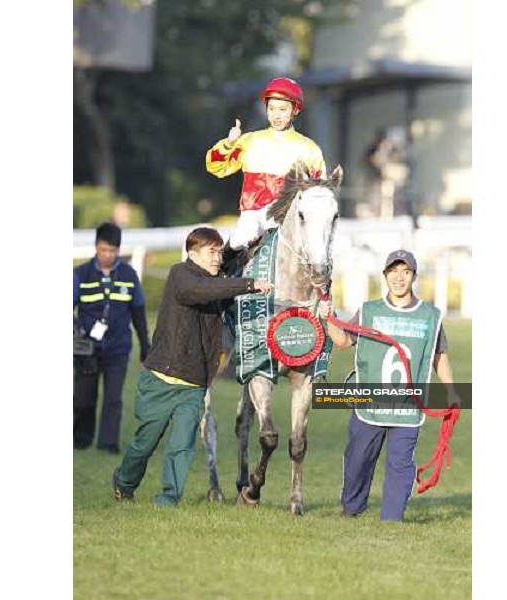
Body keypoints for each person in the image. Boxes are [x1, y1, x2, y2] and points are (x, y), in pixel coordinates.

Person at [112, 227, 273, 506]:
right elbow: (200, 291)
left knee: (181, 447)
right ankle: (124, 482)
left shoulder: (218, 280)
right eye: (211, 252)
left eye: (219, 252)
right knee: (144, 444)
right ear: (192, 253)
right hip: (161, 379)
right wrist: (249, 284)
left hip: (193, 386)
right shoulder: (180, 275)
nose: (217, 258)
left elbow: (228, 272)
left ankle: (167, 501)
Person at [318, 250, 459, 521]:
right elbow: (343, 341)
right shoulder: (369, 310)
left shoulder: (430, 316)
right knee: (358, 459)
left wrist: (451, 390)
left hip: (407, 407)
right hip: (369, 404)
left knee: (401, 464)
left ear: (413, 276)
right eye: (393, 272)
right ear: (385, 276)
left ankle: (392, 519)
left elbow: (438, 355)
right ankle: (352, 508)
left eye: (405, 272)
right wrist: (328, 317)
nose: (398, 277)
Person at [205, 77, 326, 255]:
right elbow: (216, 167)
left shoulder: (309, 149)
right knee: (242, 239)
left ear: (295, 110)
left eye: (283, 110)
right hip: (253, 216)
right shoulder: (249, 141)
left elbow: (320, 192)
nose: (276, 115)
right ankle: (221, 276)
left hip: (288, 218)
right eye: (272, 109)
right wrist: (229, 143)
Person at [73, 222, 150, 454]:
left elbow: (138, 311)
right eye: (103, 250)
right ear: (96, 247)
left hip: (118, 348)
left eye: (112, 251)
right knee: (84, 399)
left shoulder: (129, 275)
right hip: (86, 350)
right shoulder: (80, 275)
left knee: (113, 399)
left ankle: (108, 444)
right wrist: (78, 345)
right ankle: (81, 440)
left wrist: (145, 345)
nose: (107, 255)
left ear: (119, 249)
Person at [362, 127, 409, 218]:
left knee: (390, 202)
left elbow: (401, 161)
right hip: (376, 180)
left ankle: (388, 217)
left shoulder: (394, 150)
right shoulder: (373, 148)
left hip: (391, 182)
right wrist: (378, 157)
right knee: (375, 202)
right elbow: (366, 161)